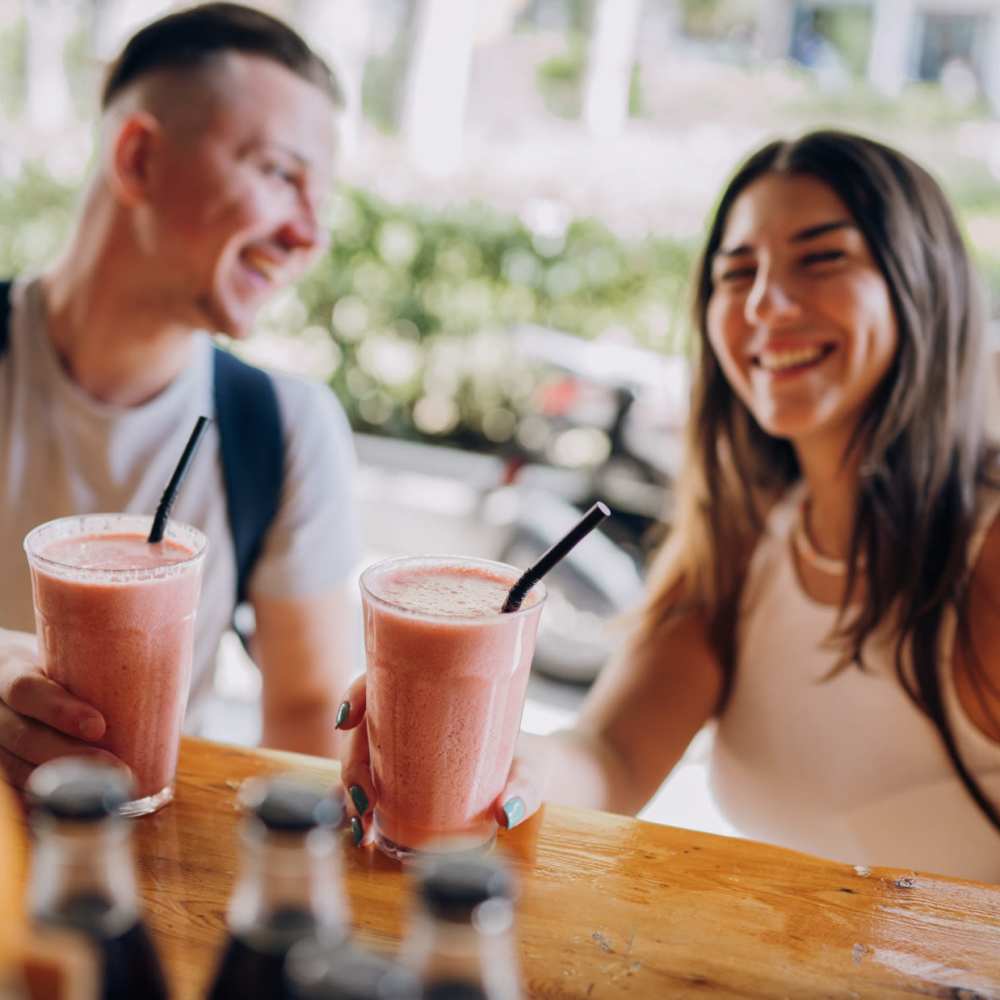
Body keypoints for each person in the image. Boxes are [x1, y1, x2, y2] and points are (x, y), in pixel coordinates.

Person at [338, 130, 1000, 882]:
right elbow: (613, 759)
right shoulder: (743, 539)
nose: (765, 305)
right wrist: (509, 762)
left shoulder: (987, 554)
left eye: (822, 258)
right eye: (736, 272)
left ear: (925, 283)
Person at [0, 3, 360, 788]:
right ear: (137, 159)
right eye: (279, 174)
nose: (308, 237)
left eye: (319, 200)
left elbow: (309, 725)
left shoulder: (286, 431)